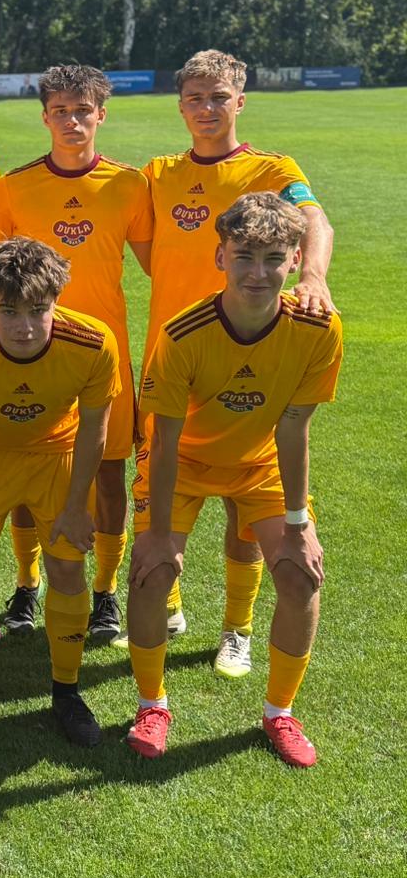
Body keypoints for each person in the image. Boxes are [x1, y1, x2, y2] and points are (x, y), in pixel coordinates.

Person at [125, 193, 342, 767]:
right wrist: (156, 535)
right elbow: (163, 441)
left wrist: (297, 524)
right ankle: (152, 706)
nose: (258, 273)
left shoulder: (318, 328)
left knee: (300, 575)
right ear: (220, 257)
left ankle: (280, 713)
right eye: (244, 256)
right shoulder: (183, 334)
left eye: (273, 258)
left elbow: (294, 428)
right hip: (182, 464)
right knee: (151, 574)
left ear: (296, 259)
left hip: (259, 464)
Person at [139, 50, 335, 670]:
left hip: (252, 350)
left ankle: (238, 627)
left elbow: (314, 219)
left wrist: (313, 276)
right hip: (176, 355)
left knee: (245, 508)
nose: (207, 108)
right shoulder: (158, 173)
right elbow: (149, 251)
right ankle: (169, 604)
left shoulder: (272, 169)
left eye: (219, 97)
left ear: (240, 102)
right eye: (195, 98)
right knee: (163, 481)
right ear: (180, 106)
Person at [0, 64, 151, 641]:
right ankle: (27, 586)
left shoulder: (129, 185)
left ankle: (105, 592)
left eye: (82, 110)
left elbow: (163, 262)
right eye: (60, 111)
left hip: (105, 353)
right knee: (30, 469)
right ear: (45, 117)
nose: (72, 121)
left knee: (109, 472)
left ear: (102, 114)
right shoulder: (14, 187)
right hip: (31, 353)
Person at [0, 239, 120, 744]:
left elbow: (94, 429)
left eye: (39, 310)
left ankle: (67, 690)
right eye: (8, 311)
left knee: (68, 567)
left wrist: (77, 506)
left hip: (56, 454)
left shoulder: (93, 342)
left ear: (57, 300)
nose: (25, 327)